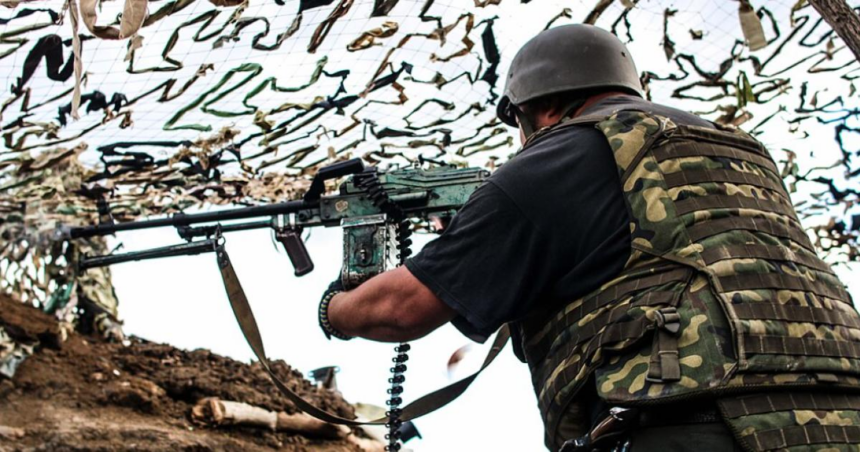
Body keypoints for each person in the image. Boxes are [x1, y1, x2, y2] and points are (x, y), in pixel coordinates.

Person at [318, 24, 860, 451]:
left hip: (693, 419)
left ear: (542, 107)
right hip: (839, 409)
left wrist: (333, 310)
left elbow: (400, 309)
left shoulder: (563, 154)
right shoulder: (739, 150)